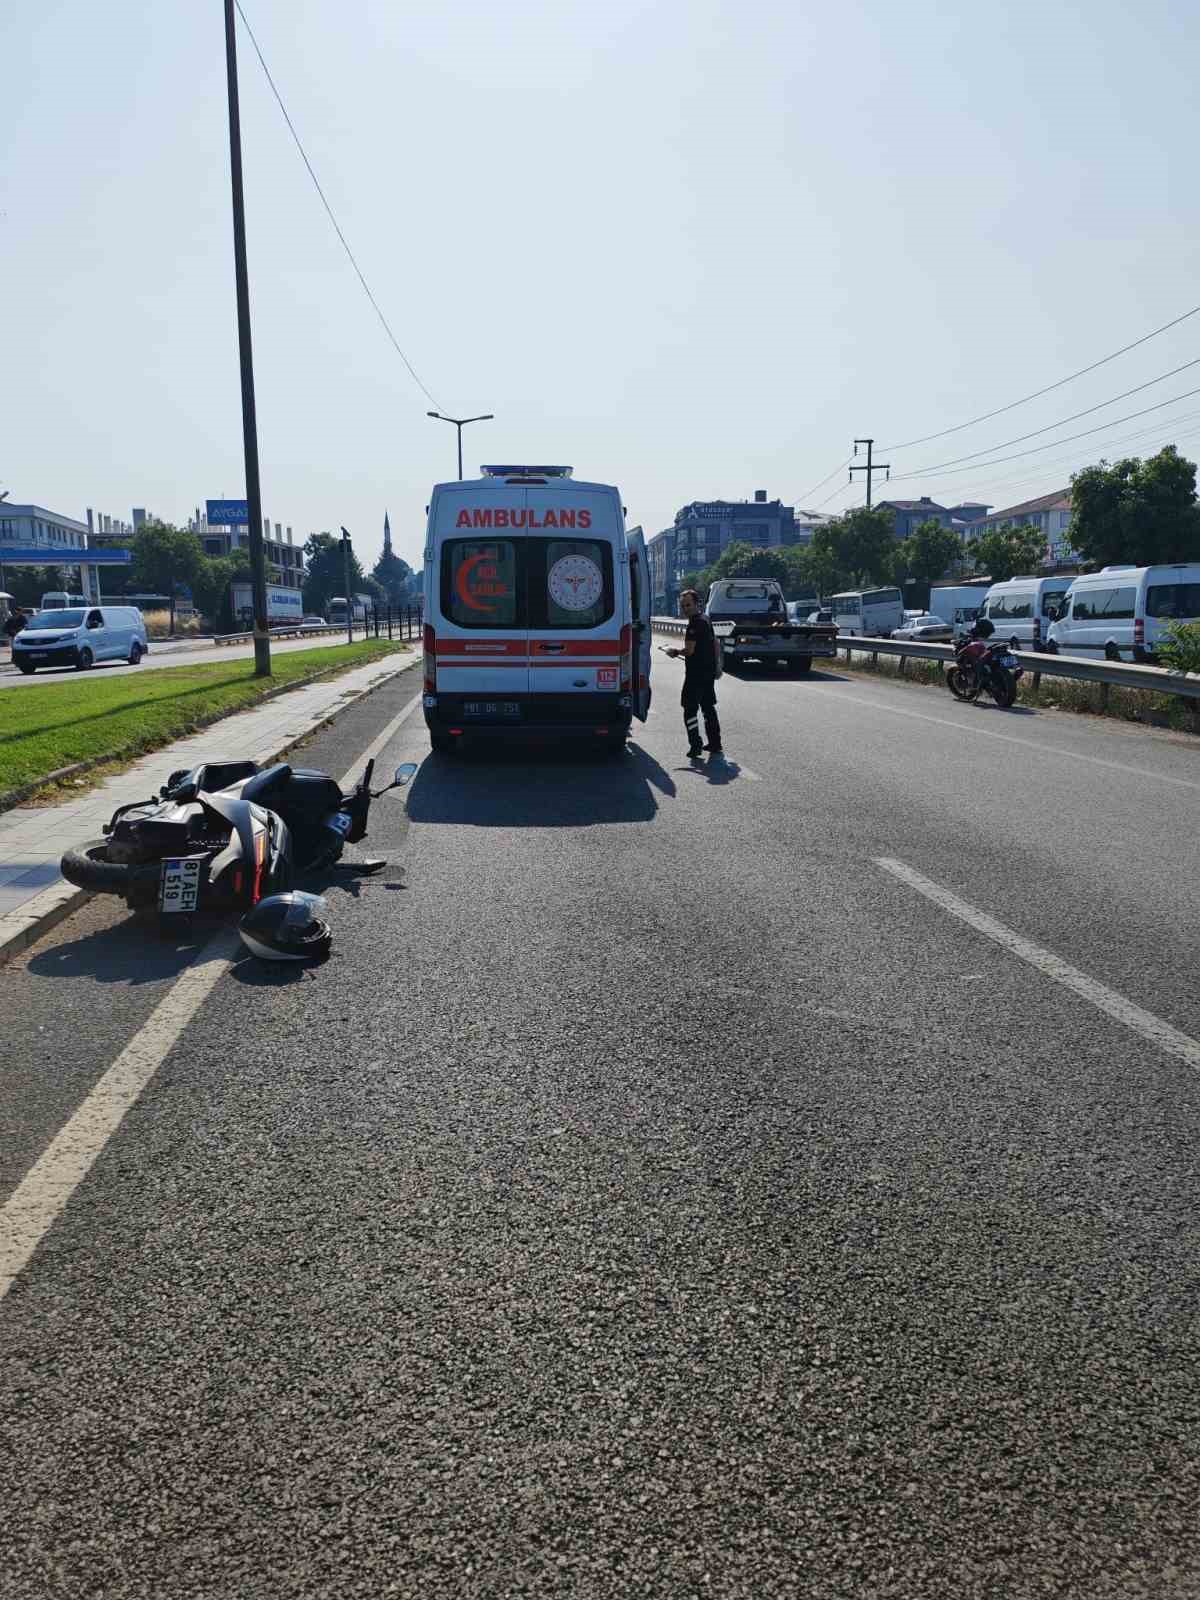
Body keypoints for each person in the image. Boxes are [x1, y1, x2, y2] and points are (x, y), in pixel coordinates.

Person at [667, 589, 722, 758]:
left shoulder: (694, 624)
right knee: (708, 708)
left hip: (695, 675)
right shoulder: (706, 619)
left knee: (689, 709)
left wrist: (675, 651)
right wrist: (717, 666)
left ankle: (695, 745)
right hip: (708, 673)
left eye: (688, 605)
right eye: (683, 606)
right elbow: (716, 644)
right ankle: (715, 743)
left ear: (697, 604)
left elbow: (689, 650)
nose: (685, 609)